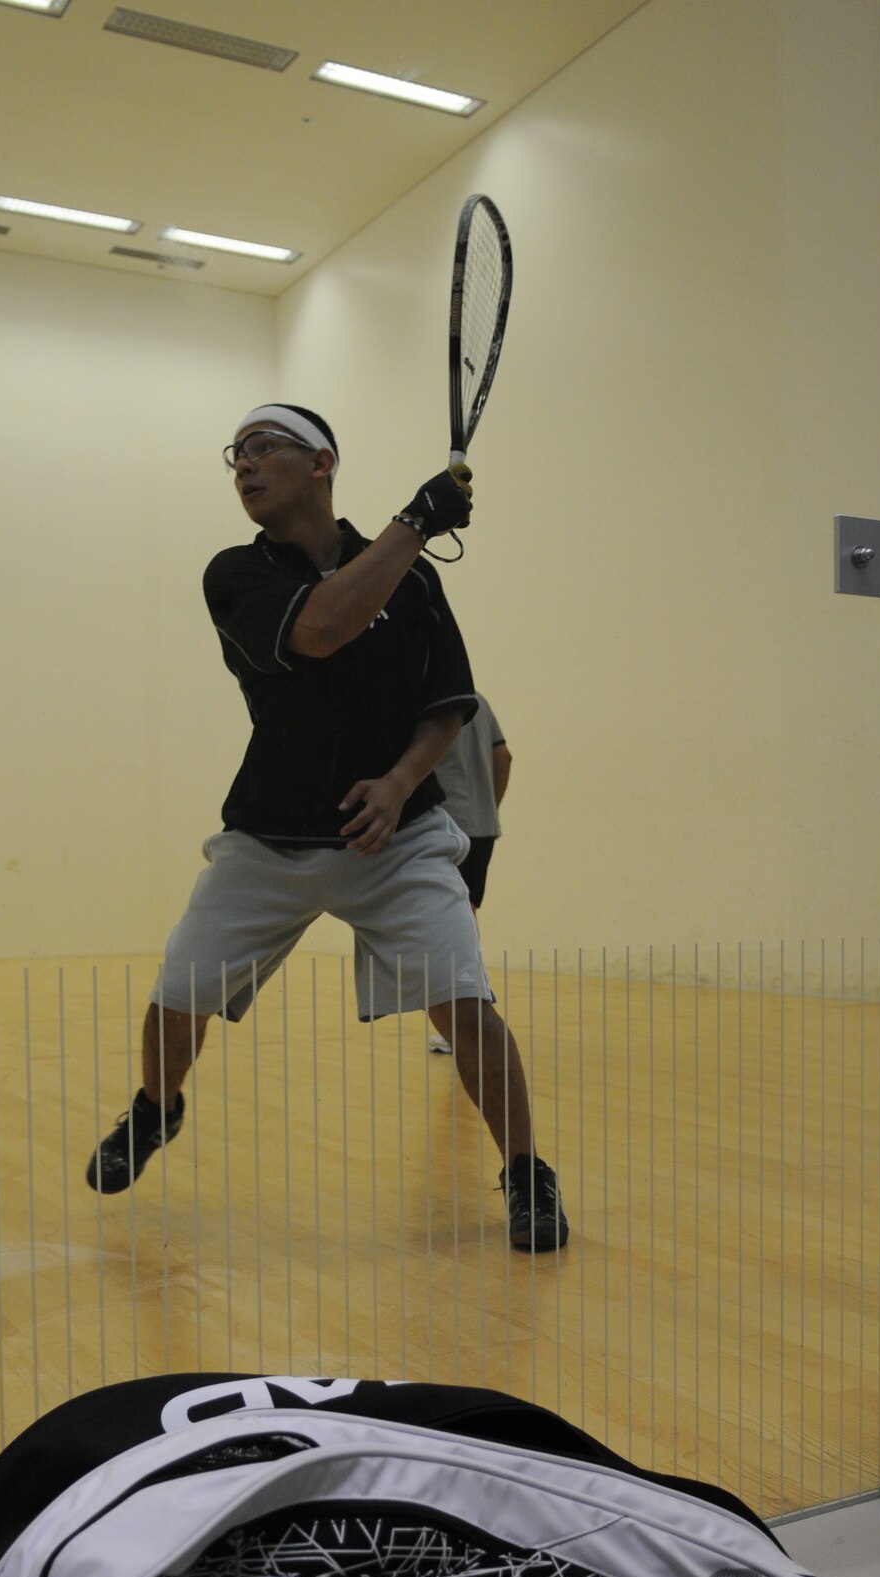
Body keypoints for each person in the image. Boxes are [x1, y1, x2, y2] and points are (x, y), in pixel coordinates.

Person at [85, 403, 567, 1251]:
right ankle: (158, 1109)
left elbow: (450, 707)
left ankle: (528, 1173)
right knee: (177, 993)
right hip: (268, 839)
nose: (244, 465)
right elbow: (320, 627)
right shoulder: (235, 573)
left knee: (466, 1002)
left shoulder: (415, 580)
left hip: (399, 839)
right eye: (235, 454)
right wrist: (416, 521)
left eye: (264, 448)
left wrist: (400, 783)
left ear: (321, 462)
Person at [428, 695, 510, 1053]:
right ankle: (469, 1023)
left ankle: (466, 1027)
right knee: (466, 913)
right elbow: (503, 756)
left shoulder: (427, 698)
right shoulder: (478, 701)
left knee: (452, 923)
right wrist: (489, 806)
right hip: (482, 824)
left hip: (446, 824)